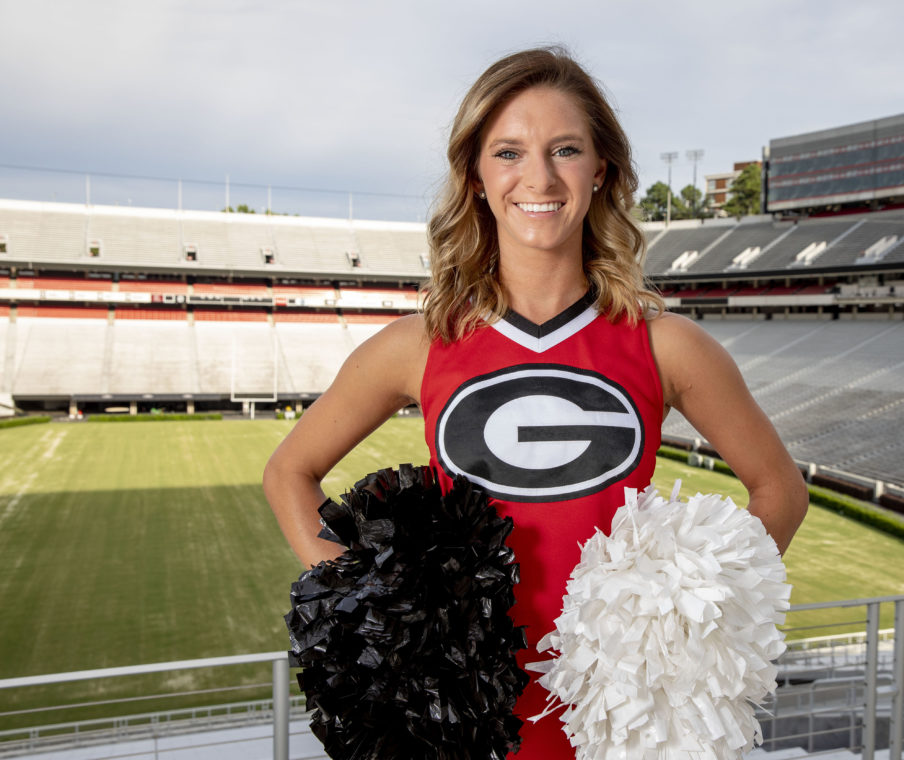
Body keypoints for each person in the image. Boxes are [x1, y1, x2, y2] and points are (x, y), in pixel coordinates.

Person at [264, 46, 808, 758]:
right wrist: (370, 602)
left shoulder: (668, 346)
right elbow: (289, 473)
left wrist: (689, 627)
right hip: (466, 720)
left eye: (566, 150)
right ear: (477, 176)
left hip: (616, 723)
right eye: (510, 152)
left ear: (600, 170)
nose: (540, 178)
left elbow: (780, 491)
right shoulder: (419, 344)